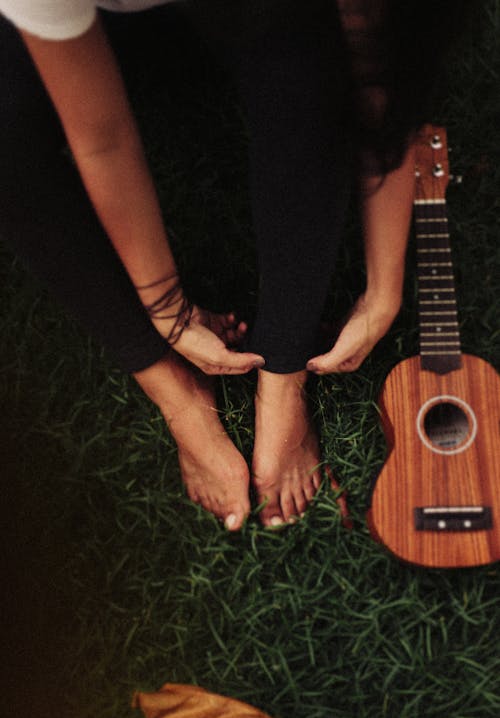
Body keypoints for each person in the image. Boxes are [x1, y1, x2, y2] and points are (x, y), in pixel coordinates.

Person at [0, 1, 465, 530]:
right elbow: (103, 139)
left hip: (250, 18)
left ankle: (283, 378)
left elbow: (378, 76)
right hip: (59, 31)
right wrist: (165, 308)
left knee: (311, 67)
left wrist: (386, 290)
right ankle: (175, 392)